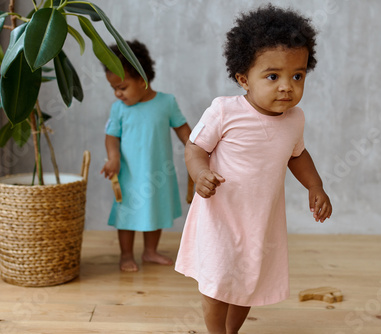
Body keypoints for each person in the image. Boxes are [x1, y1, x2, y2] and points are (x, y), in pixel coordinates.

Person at [175, 4, 332, 333]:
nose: (287, 86)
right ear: (243, 78)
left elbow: (296, 155)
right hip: (221, 215)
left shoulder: (294, 120)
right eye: (273, 76)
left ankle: (232, 331)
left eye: (297, 76)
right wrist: (200, 173)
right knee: (217, 284)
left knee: (249, 283)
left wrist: (315, 186)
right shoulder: (225, 111)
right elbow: (195, 147)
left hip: (261, 220)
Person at [101, 40, 191, 272]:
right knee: (127, 216)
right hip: (129, 174)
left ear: (142, 80)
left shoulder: (166, 102)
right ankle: (126, 254)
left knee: (156, 210)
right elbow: (111, 136)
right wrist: (113, 158)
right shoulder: (119, 109)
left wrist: (195, 149)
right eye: (114, 88)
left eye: (122, 87)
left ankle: (150, 251)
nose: (117, 94)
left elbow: (182, 129)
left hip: (158, 172)